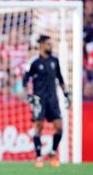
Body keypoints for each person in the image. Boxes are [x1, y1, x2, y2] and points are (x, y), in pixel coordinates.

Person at [22, 35, 70, 168]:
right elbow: (25, 81)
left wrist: (66, 94)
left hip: (53, 99)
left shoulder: (55, 60)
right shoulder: (34, 62)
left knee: (59, 127)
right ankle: (39, 157)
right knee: (38, 127)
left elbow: (60, 79)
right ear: (42, 44)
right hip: (39, 99)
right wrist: (29, 96)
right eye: (48, 43)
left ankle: (53, 152)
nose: (51, 45)